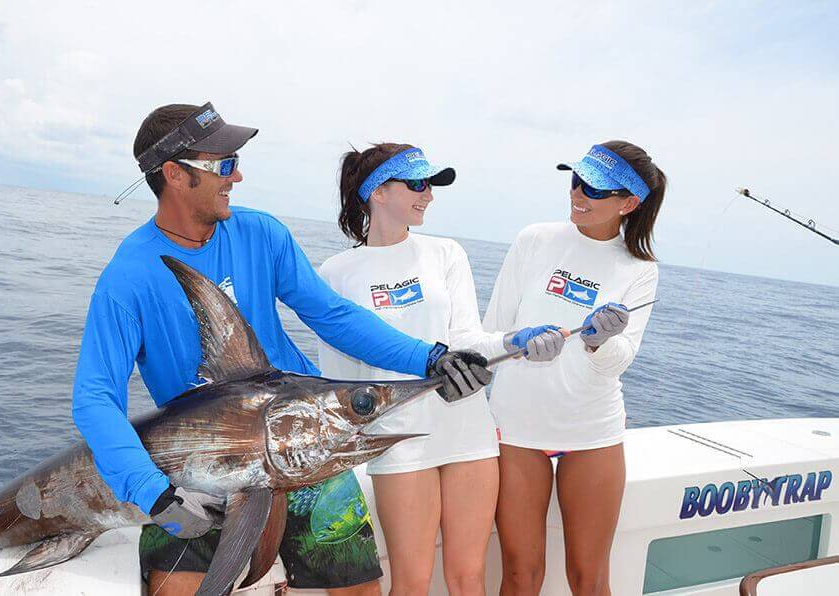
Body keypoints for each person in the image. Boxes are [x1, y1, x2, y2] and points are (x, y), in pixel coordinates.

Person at [71, 104, 493, 596]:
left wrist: (430, 357)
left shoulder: (261, 233)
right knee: (175, 590)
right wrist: (154, 494)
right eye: (225, 164)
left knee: (361, 591)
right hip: (198, 470)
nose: (237, 176)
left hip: (309, 444)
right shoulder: (127, 278)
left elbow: (333, 315)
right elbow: (95, 397)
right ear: (175, 174)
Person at [317, 143, 563, 596]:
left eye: (430, 185)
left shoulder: (446, 253)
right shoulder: (336, 273)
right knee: (411, 583)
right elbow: (338, 381)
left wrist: (515, 341)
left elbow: (467, 338)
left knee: (468, 578)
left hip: (467, 428)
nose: (428, 195)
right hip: (399, 439)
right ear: (377, 191)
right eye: (417, 184)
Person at [484, 141, 665, 596]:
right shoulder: (534, 240)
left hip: (592, 432)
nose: (578, 194)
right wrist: (516, 343)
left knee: (590, 578)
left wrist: (597, 342)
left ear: (628, 203)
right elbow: (490, 332)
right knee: (520, 576)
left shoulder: (640, 269)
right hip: (517, 428)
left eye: (595, 190)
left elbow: (620, 360)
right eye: (576, 181)